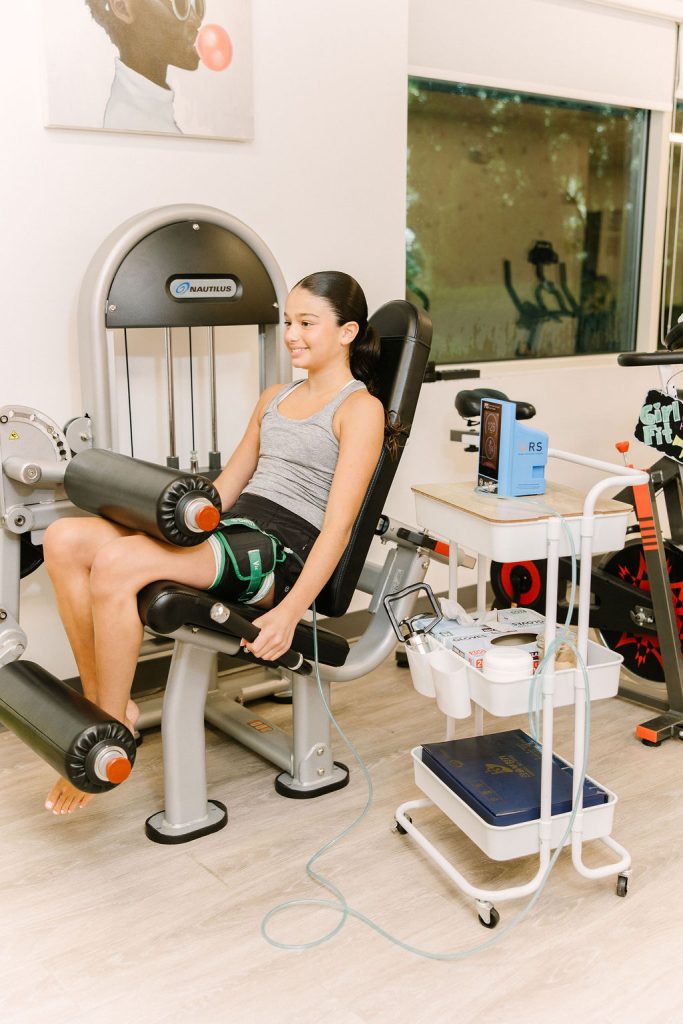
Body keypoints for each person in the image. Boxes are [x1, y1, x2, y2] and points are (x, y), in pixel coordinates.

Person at [42, 271, 387, 814]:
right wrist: (162, 521)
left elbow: (338, 529)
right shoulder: (275, 397)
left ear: (347, 332)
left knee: (118, 562)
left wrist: (288, 614)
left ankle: (108, 732)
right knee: (64, 538)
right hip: (234, 531)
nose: (292, 335)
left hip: (279, 553)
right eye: (288, 322)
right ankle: (106, 705)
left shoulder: (360, 409)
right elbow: (224, 492)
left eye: (307, 323)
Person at [85, 0, 204, 133]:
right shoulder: (132, 125)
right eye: (179, 4)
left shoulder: (148, 113)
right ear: (122, 8)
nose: (196, 20)